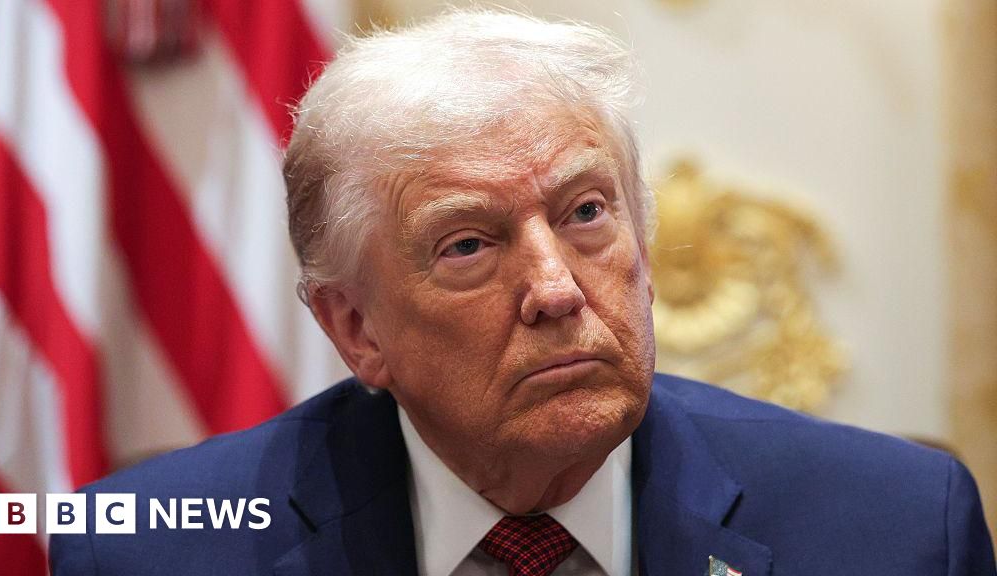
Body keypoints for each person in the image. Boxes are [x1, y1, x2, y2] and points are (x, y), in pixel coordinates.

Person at [51, 9, 995, 576]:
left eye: (586, 213)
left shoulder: (898, 527)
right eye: (468, 244)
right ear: (355, 327)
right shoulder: (149, 551)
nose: (555, 288)